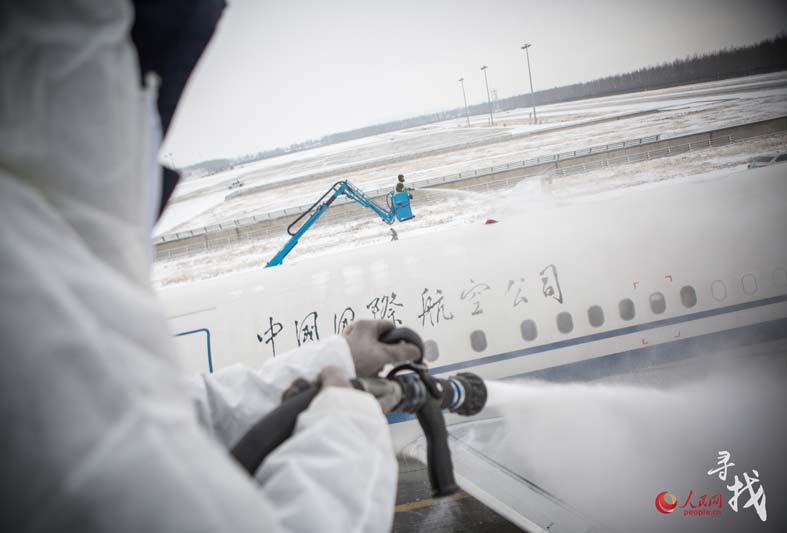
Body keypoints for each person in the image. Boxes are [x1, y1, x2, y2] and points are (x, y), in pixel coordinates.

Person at [0, 1, 418, 531]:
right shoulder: (24, 305)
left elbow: (180, 411)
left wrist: (334, 357)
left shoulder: (42, 243)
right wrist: (345, 430)